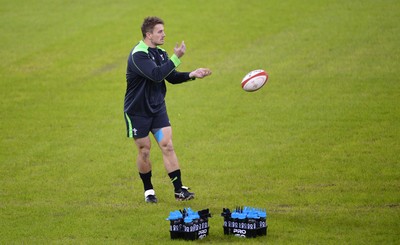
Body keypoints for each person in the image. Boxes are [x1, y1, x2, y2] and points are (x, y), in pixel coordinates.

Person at [124, 16, 212, 203]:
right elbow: (156, 75)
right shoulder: (138, 54)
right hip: (137, 111)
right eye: (160, 31)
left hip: (157, 109)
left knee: (167, 145)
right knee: (144, 150)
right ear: (149, 35)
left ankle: (179, 189)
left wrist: (192, 74)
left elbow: (170, 77)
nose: (164, 34)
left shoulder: (161, 53)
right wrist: (176, 57)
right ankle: (149, 191)